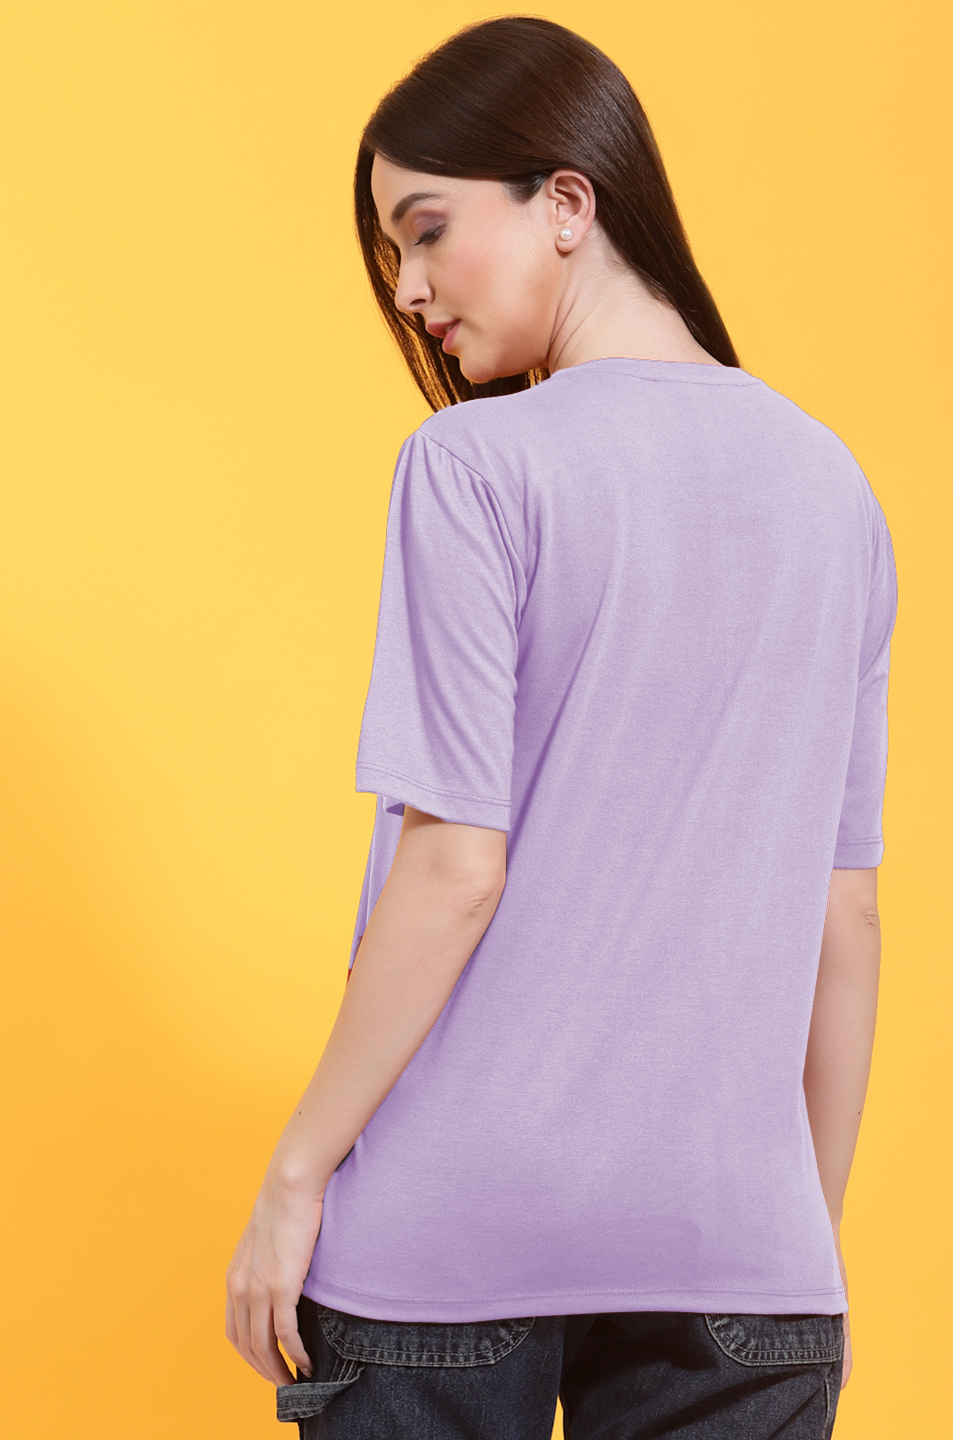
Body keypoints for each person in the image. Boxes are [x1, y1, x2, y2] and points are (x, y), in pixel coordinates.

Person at [225, 17, 897, 1438]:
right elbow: (846, 915)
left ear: (568, 203)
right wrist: (798, 1245)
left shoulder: (473, 465)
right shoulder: (833, 485)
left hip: (446, 1245)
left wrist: (294, 1177)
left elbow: (454, 867)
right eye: (391, 255)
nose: (407, 288)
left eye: (425, 231)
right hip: (747, 1254)